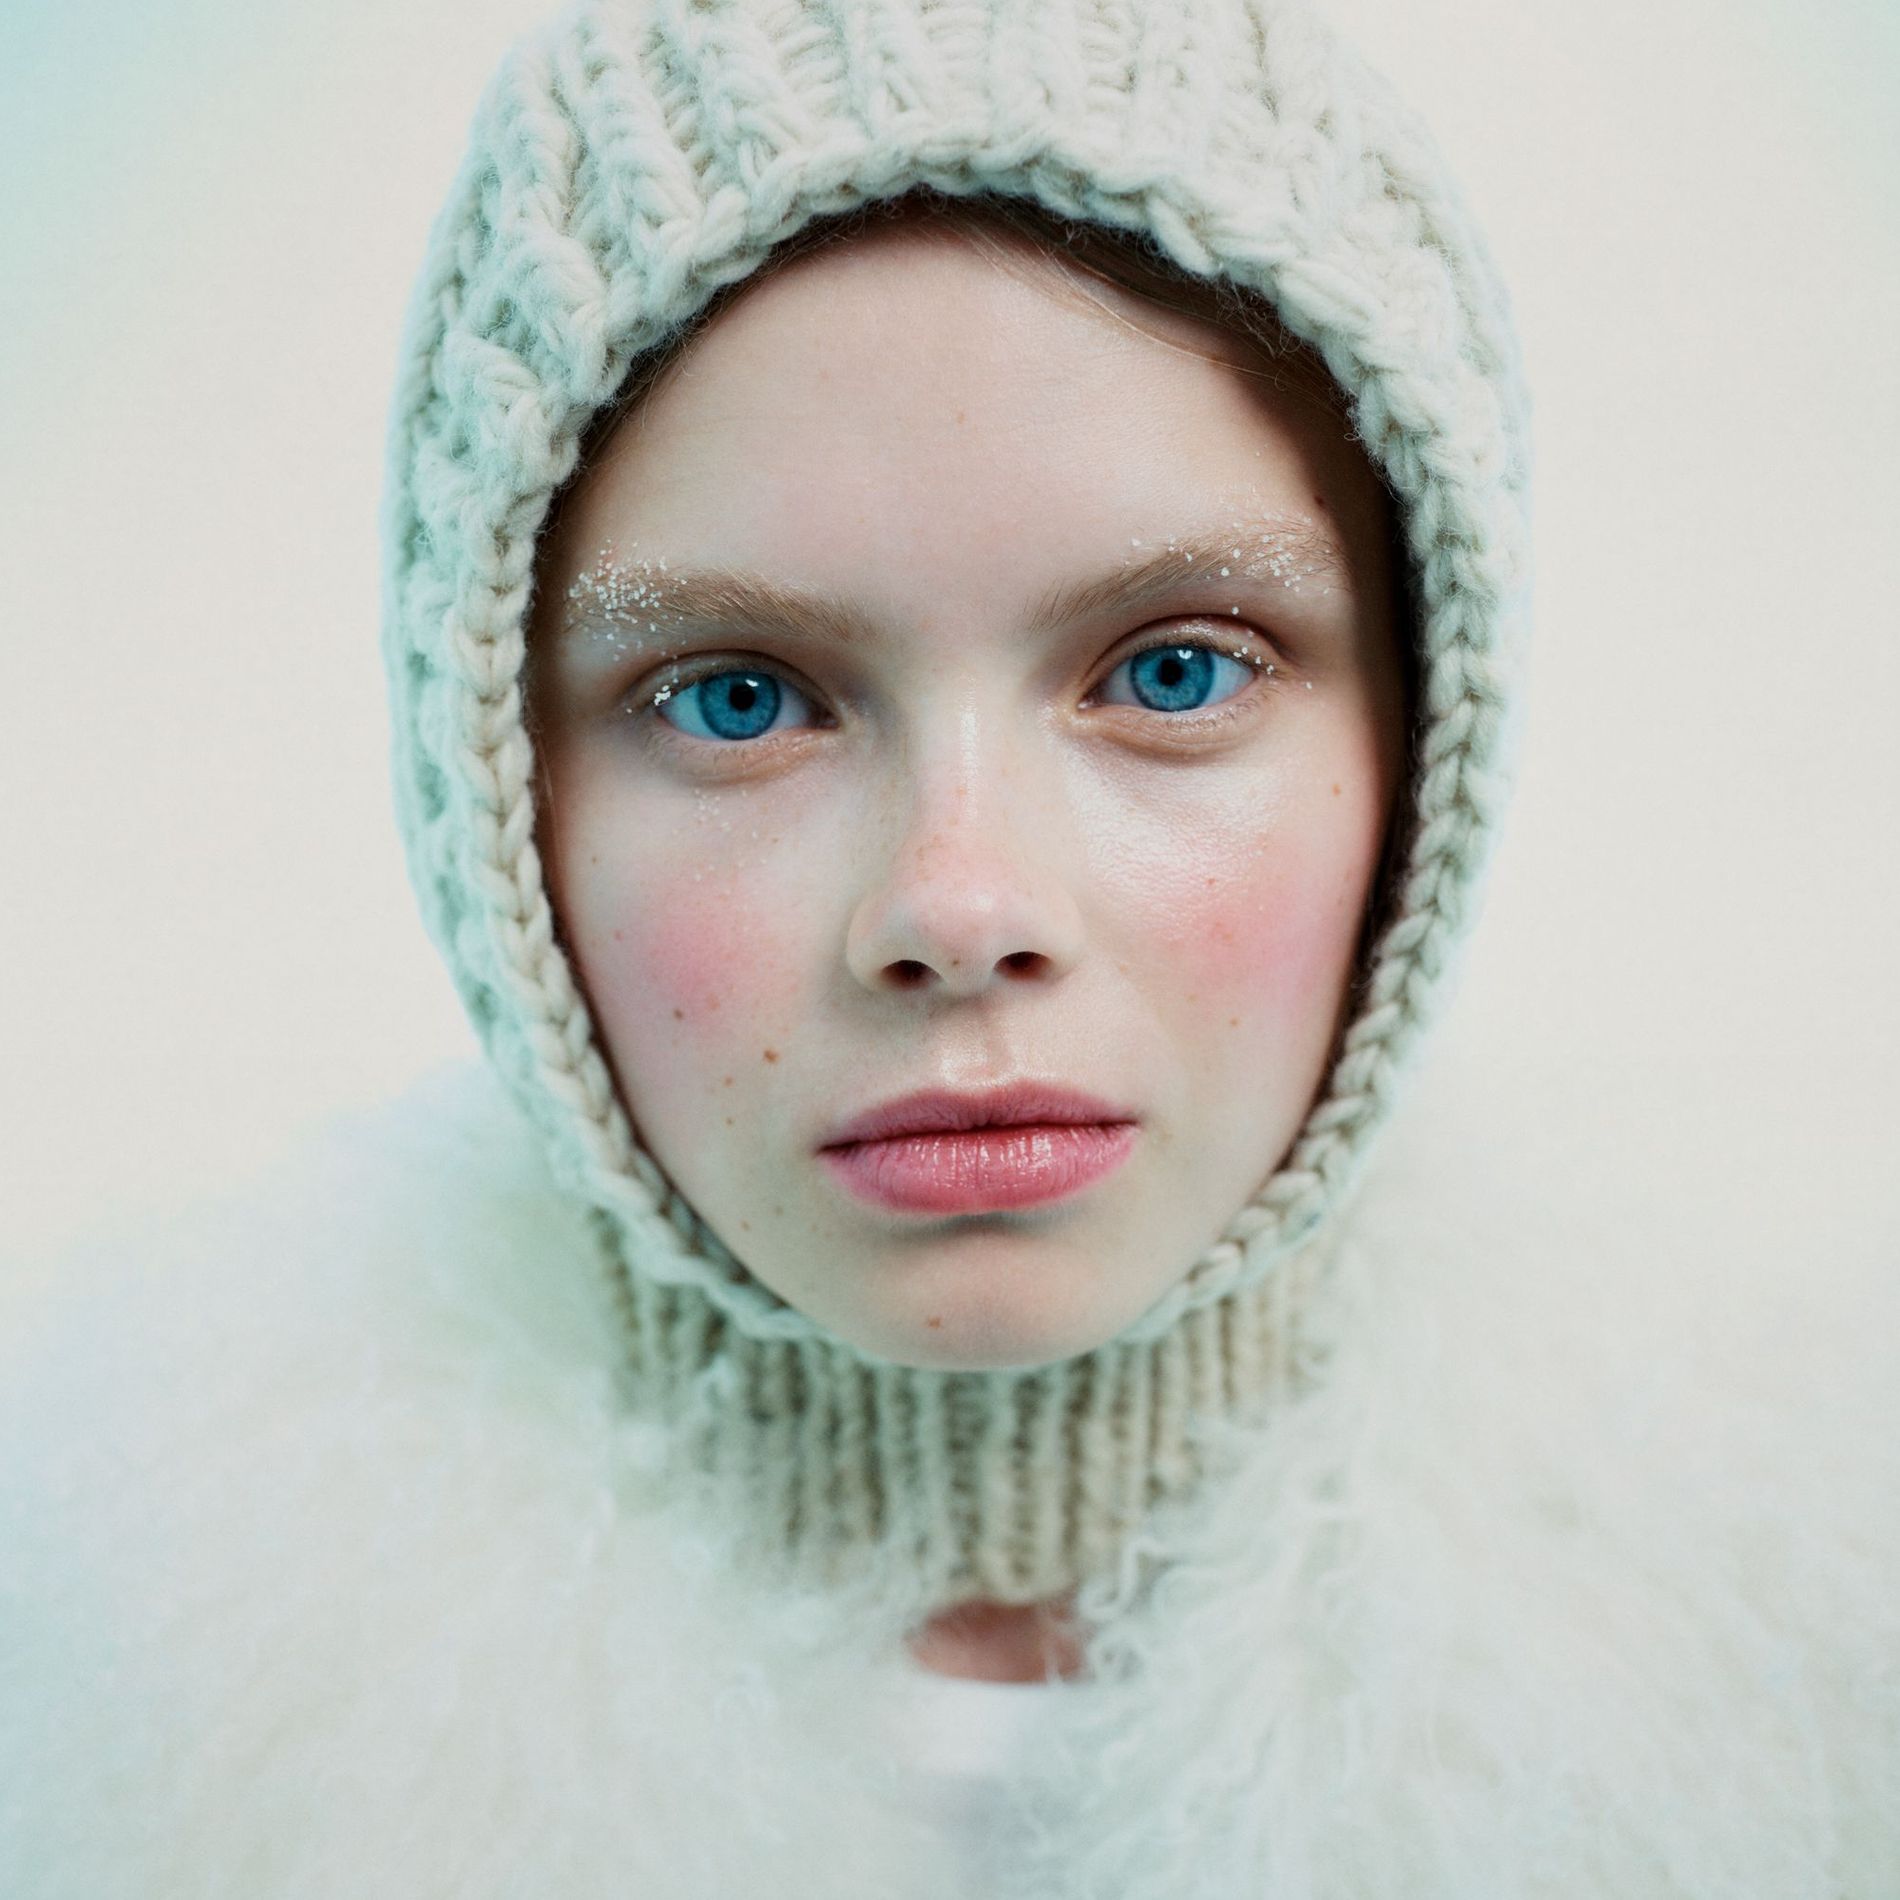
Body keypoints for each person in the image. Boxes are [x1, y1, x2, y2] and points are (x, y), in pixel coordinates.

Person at [2, 0, 1894, 1894]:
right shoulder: (118, 1723)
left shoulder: (1811, 1675)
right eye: (737, 700)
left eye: (1174, 673)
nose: (962, 907)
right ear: (491, 783)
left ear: (1424, 748)